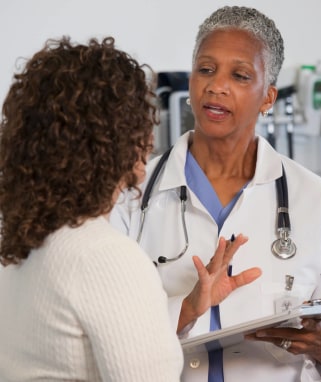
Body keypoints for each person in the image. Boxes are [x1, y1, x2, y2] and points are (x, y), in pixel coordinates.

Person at [111, 6, 321, 382]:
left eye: (239, 75)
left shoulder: (318, 201)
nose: (216, 86)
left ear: (268, 97)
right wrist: (185, 310)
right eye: (205, 69)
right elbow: (107, 320)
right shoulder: (130, 197)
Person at [0, 36, 186, 381]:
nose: (150, 136)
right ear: (111, 138)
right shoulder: (104, 257)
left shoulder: (22, 248)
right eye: (141, 119)